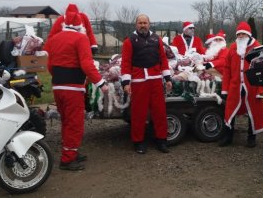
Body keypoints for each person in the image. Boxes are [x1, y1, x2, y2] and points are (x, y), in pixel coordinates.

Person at [44, 10, 109, 171]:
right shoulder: (81, 38)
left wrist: (58, 78)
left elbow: (50, 65)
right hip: (73, 87)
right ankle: (67, 160)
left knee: (66, 121)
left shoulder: (54, 39)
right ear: (80, 24)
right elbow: (87, 64)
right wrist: (101, 83)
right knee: (75, 123)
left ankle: (71, 152)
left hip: (58, 86)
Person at [121, 14, 172, 154]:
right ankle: (138, 142)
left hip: (156, 80)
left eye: (145, 22)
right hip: (139, 81)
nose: (142, 25)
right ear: (136, 24)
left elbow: (163, 59)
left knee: (159, 112)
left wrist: (167, 78)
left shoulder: (157, 39)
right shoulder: (129, 41)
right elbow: (125, 62)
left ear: (149, 24)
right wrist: (126, 82)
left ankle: (161, 140)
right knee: (139, 113)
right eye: (140, 22)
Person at [219, 21, 263, 148]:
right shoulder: (233, 48)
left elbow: (262, 69)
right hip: (235, 85)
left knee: (253, 111)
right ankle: (228, 137)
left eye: (243, 34)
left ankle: (252, 137)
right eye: (238, 34)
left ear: (249, 35)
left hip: (252, 86)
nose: (240, 36)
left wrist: (261, 89)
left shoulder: (257, 47)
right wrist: (224, 90)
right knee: (230, 110)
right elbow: (227, 69)